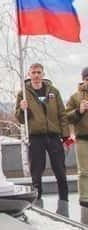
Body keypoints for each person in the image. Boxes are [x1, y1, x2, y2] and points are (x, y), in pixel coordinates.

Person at [15, 63, 69, 216]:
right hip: (36, 137)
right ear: (29, 74)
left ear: (43, 74)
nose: (36, 75)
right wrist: (22, 108)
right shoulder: (23, 93)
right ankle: (37, 203)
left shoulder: (53, 92)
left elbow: (62, 114)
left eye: (39, 72)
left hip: (53, 136)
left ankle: (64, 202)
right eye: (34, 72)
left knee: (60, 170)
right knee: (36, 172)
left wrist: (65, 135)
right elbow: (19, 118)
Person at [66, 67, 88, 223]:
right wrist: (79, 111)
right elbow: (67, 116)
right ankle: (85, 198)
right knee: (84, 171)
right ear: (83, 79)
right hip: (83, 138)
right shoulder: (75, 97)